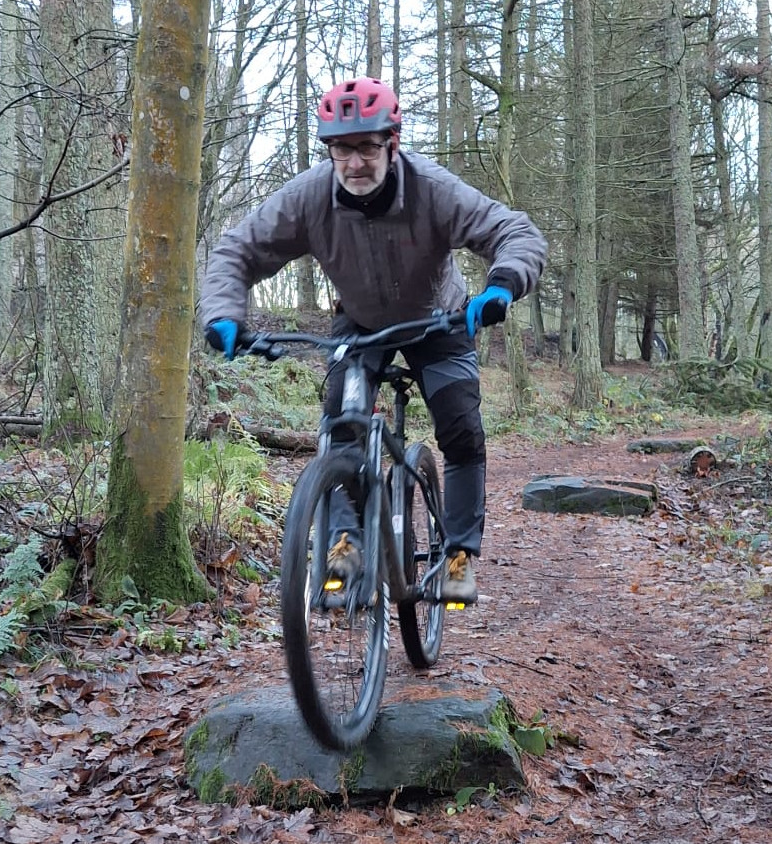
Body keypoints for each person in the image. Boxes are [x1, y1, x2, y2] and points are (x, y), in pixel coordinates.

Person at [199, 77, 546, 604]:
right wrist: (224, 316)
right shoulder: (311, 197)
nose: (355, 162)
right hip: (360, 324)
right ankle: (345, 543)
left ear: (392, 143)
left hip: (438, 320)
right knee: (343, 424)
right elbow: (236, 251)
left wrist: (500, 287)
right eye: (342, 149)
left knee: (460, 425)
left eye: (367, 147)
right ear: (329, 150)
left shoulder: (431, 189)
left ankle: (457, 555)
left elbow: (514, 231)